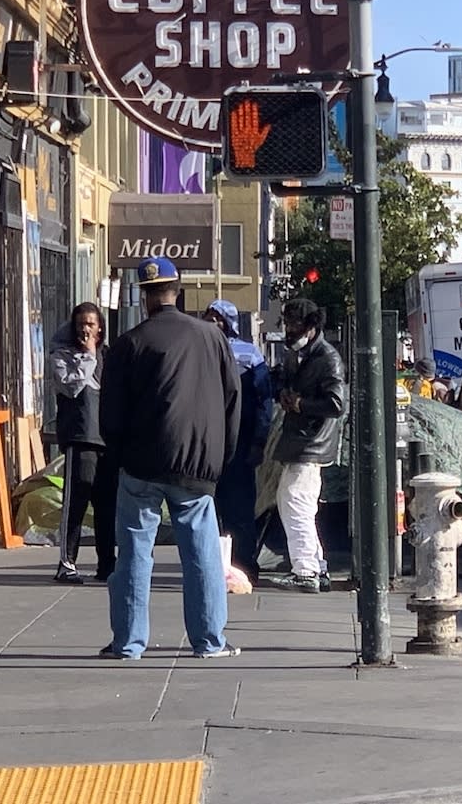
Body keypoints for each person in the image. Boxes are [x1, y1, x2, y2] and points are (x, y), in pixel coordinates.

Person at [99, 257, 242, 660]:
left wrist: (121, 453)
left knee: (133, 553)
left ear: (144, 296)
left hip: (141, 462)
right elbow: (233, 400)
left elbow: (109, 415)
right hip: (197, 462)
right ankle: (209, 640)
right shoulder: (211, 338)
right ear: (177, 291)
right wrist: (221, 454)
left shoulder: (128, 343)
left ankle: (128, 642)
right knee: (201, 553)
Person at [270, 298, 347, 594]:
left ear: (312, 327)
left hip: (310, 442)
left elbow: (336, 403)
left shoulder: (326, 358)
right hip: (304, 441)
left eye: (295, 325)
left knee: (294, 501)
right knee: (296, 501)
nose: (289, 330)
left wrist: (301, 404)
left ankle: (306, 570)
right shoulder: (301, 354)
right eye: (287, 324)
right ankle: (316, 565)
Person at [203, 300, 273, 583]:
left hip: (240, 444)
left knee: (240, 508)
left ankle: (244, 563)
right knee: (208, 508)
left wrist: (259, 440)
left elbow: (263, 402)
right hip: (207, 445)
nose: (213, 322)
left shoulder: (249, 354)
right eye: (209, 316)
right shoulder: (199, 350)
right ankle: (211, 565)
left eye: (218, 318)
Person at [50, 302, 117, 583]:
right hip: (81, 437)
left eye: (90, 324)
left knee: (107, 506)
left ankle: (107, 565)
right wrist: (88, 356)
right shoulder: (63, 356)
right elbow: (72, 387)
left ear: (100, 327)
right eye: (80, 324)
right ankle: (67, 563)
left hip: (108, 440)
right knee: (75, 504)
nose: (85, 329)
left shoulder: (110, 356)